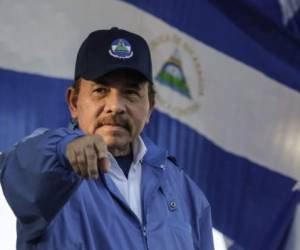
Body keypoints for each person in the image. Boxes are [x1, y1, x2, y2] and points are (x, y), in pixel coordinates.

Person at [0, 28, 214, 250]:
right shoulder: (52, 173)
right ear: (73, 102)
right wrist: (64, 149)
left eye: (130, 92)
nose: (115, 106)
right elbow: (18, 167)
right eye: (101, 90)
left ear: (150, 106)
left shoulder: (185, 192)